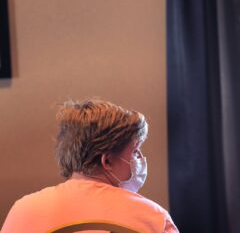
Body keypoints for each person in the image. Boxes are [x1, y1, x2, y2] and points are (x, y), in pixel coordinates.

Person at [1, 99, 179, 233]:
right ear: (107, 161)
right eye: (134, 152)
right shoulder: (153, 218)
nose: (140, 159)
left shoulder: (24, 210)